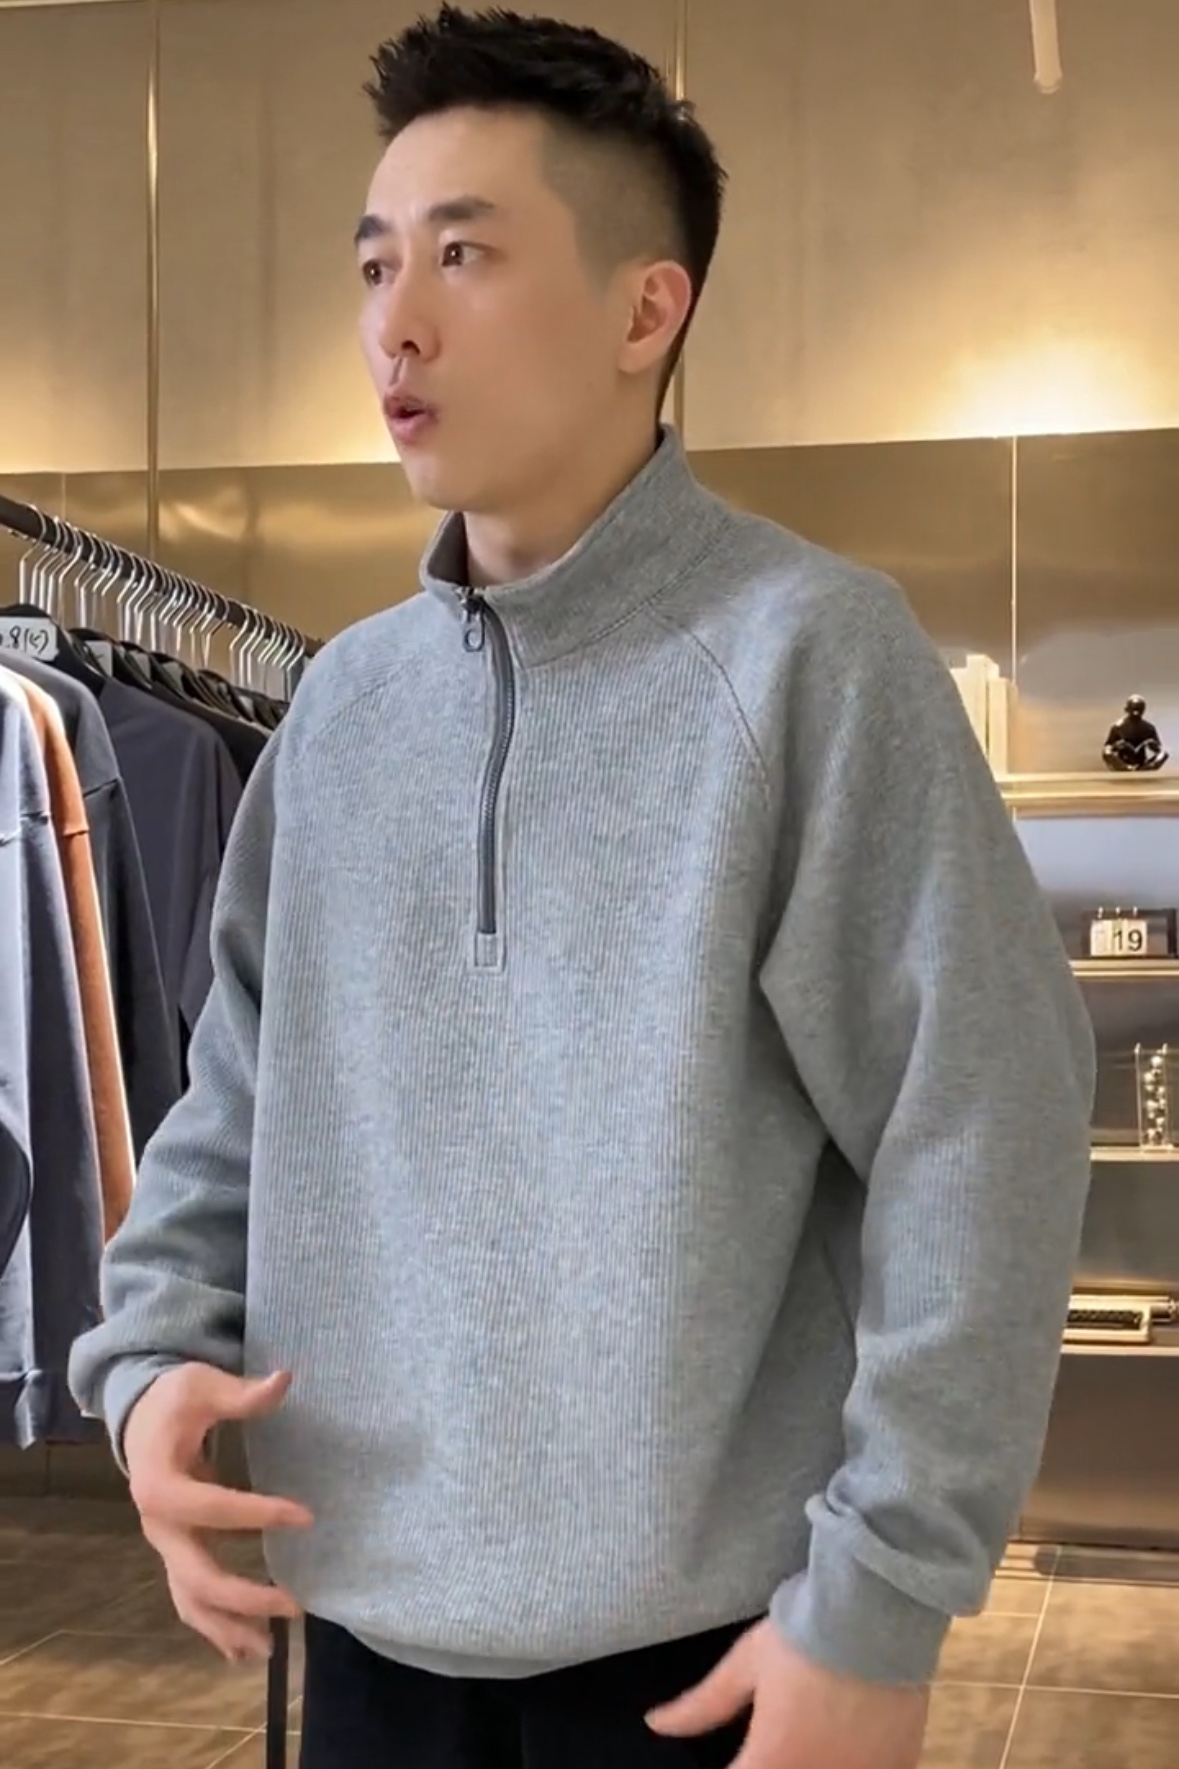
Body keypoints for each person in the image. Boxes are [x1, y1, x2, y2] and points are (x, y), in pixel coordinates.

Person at [69, 9, 1096, 1768]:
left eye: (463, 255)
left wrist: (882, 1592)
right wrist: (151, 1359)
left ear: (646, 311)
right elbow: (240, 1090)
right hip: (361, 1636)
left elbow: (980, 1122)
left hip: (707, 1658)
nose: (396, 320)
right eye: (375, 263)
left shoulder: (808, 659)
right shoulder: (343, 706)